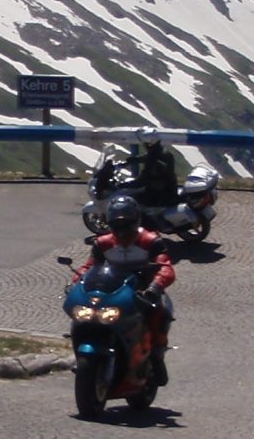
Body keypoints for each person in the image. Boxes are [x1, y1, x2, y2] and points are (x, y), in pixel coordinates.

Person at [77, 193, 178, 382]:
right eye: (116, 224)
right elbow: (90, 266)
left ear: (135, 221)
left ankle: (156, 356)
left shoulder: (151, 241)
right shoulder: (103, 243)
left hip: (144, 291)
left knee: (160, 312)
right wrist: (76, 282)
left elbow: (166, 267)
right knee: (84, 315)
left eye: (126, 224)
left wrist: (155, 287)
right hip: (113, 290)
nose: (121, 230)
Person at [134, 134, 181, 210]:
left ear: (149, 144)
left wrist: (123, 185)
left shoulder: (153, 159)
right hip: (170, 193)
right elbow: (147, 157)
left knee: (134, 201)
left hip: (159, 198)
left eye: (145, 143)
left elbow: (141, 180)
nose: (144, 145)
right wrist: (133, 159)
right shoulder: (164, 153)